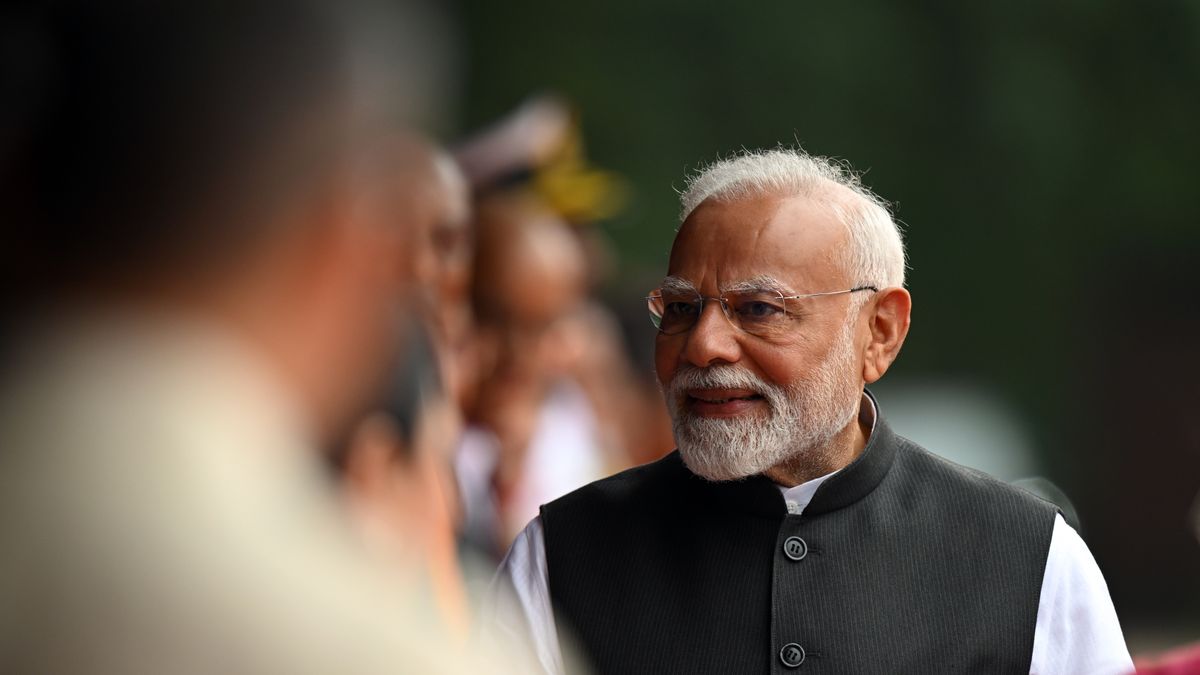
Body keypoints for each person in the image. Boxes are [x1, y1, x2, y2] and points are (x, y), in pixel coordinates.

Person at [493, 148, 1134, 674]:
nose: (703, 345)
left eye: (758, 309)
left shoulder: (1029, 559)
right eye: (682, 309)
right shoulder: (562, 556)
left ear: (879, 331)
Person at [0, 2, 479, 672]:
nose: (424, 276)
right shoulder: (387, 650)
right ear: (342, 243)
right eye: (409, 235)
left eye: (449, 246)